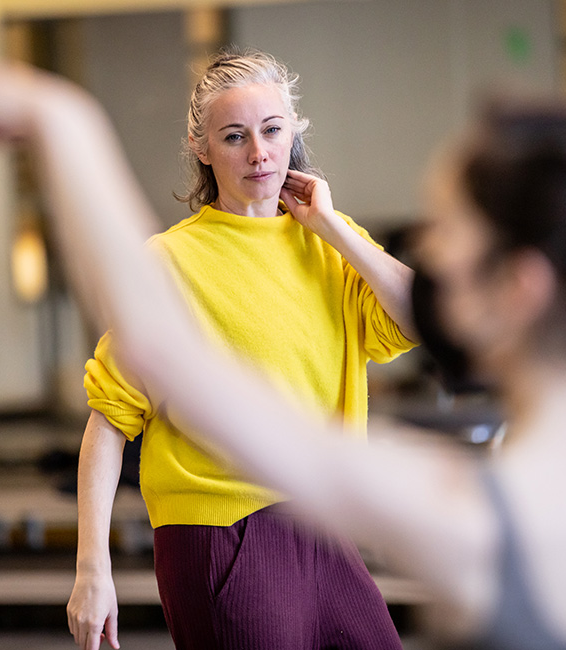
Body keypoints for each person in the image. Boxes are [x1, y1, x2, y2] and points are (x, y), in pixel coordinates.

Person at [0, 64, 566, 650]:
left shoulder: (481, 515)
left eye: (444, 235)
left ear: (517, 287)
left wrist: (63, 127)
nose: (426, 253)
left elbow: (193, 376)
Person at [72, 49, 416, 650]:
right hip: (221, 531)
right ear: (202, 147)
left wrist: (332, 227)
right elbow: (108, 421)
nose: (259, 152)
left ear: (293, 133)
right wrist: (91, 569)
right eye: (235, 136)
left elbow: (418, 316)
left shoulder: (329, 241)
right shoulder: (169, 263)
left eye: (273, 130)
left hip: (324, 524)